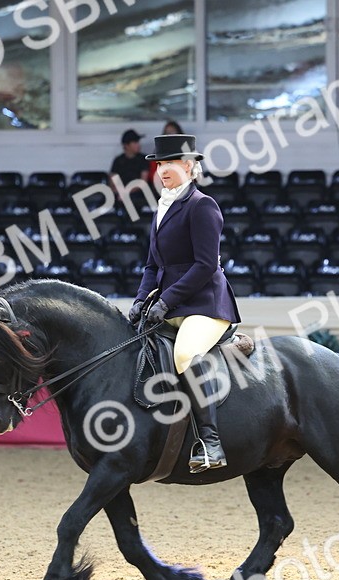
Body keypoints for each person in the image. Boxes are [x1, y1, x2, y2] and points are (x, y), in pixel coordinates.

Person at [127, 134, 241, 473]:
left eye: (170, 163)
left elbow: (205, 266)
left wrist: (166, 300)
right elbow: (152, 266)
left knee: (185, 354)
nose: (162, 170)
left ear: (189, 167)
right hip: (172, 305)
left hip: (205, 304)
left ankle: (211, 443)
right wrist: (140, 300)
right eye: (160, 164)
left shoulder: (202, 206)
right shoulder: (162, 208)